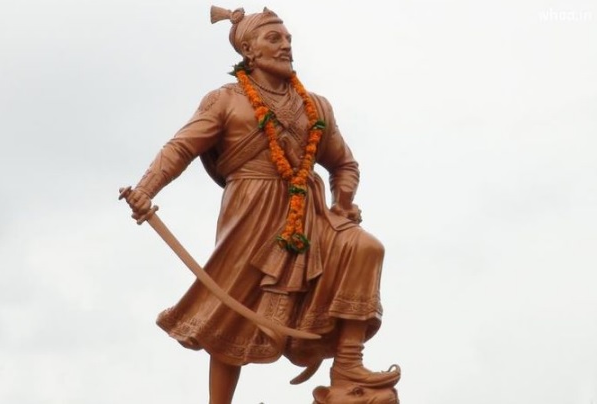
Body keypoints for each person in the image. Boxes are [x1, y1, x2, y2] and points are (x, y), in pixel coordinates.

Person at [123, 6, 399, 404]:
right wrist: (146, 189)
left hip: (309, 212)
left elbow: (344, 164)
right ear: (249, 51)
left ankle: (348, 365)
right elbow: (181, 147)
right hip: (252, 210)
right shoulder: (225, 101)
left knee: (364, 247)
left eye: (288, 39)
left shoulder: (316, 106)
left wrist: (343, 202)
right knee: (230, 310)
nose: (286, 45)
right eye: (274, 38)